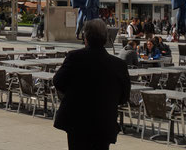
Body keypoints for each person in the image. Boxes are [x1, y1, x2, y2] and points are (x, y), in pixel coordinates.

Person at [54, 18, 130, 150]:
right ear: (106, 39)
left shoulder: (75, 57)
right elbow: (124, 97)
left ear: (85, 38)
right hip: (104, 123)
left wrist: (74, 93)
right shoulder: (119, 65)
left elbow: (58, 81)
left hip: (77, 121)